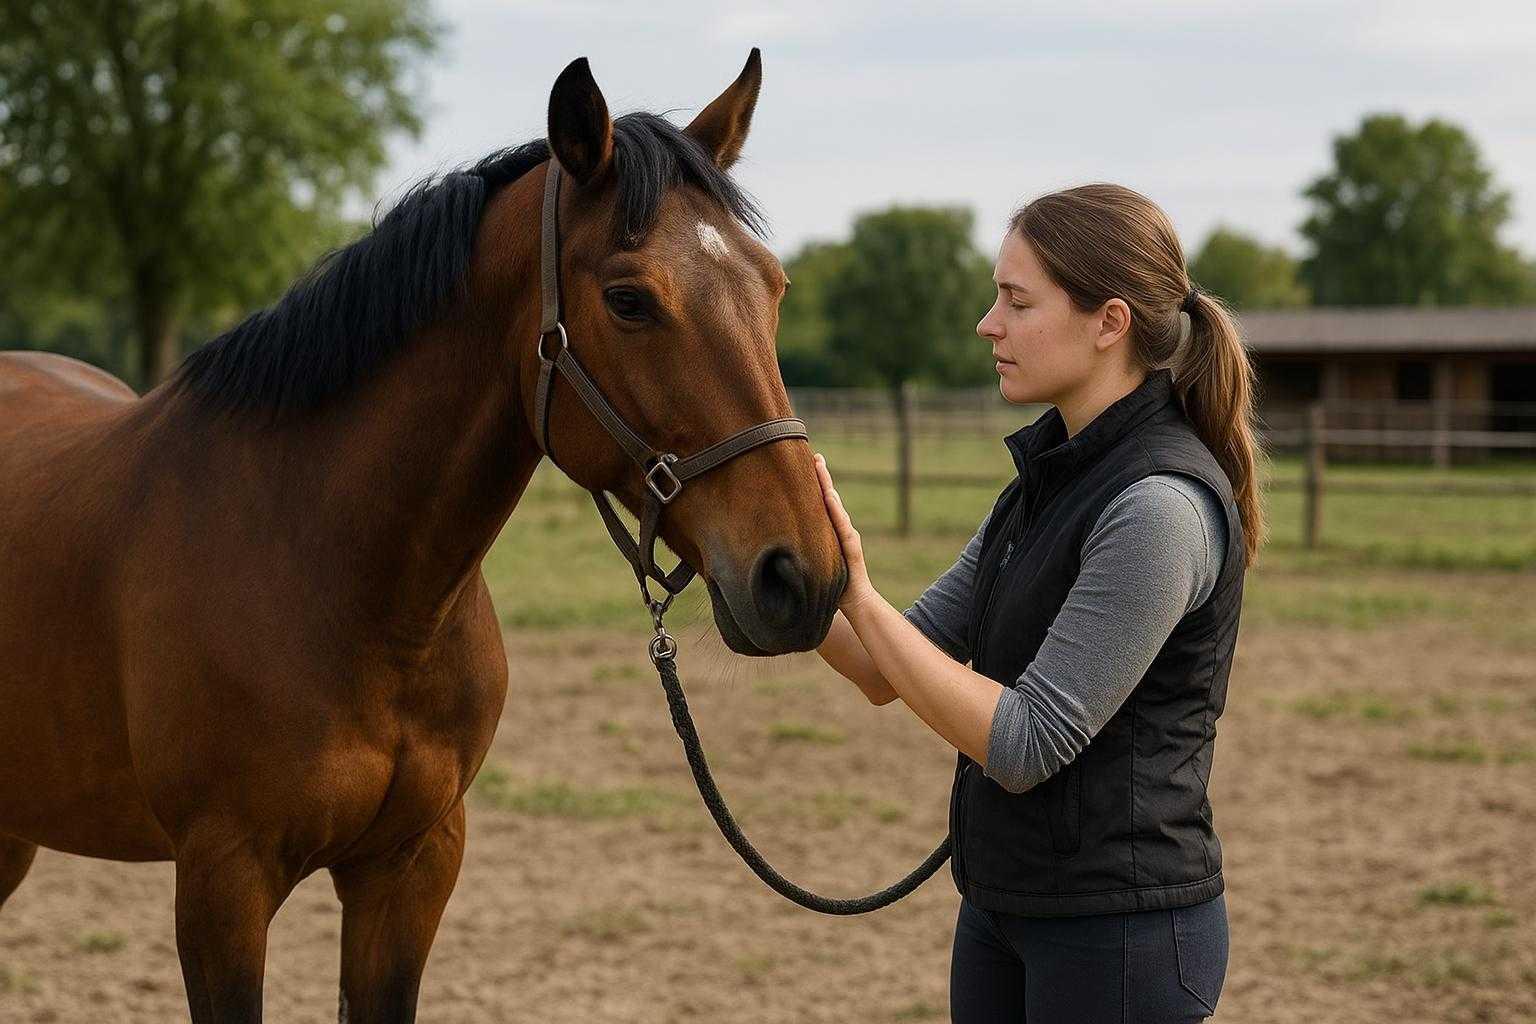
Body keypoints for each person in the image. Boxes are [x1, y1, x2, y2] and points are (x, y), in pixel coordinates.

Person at [812, 182, 1264, 1023]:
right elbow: (887, 667)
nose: (989, 323)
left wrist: (861, 594)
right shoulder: (1045, 481)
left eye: (1017, 301)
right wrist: (791, 577)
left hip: (1120, 934)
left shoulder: (1157, 508)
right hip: (1005, 907)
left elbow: (1026, 741)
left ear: (1109, 322)